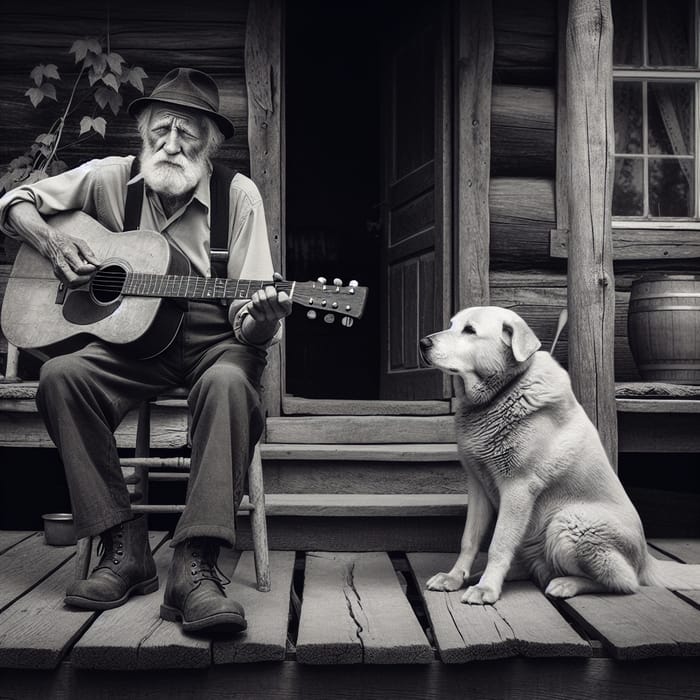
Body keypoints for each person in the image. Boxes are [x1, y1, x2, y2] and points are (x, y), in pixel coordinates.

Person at [0, 68, 292, 634]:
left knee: (232, 385)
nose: (171, 144)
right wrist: (52, 241)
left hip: (217, 341)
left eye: (188, 133)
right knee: (62, 375)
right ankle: (121, 544)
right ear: (142, 131)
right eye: (162, 129)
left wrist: (260, 319)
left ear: (209, 142)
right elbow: (14, 201)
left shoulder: (238, 196)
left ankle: (196, 565)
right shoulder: (110, 177)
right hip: (132, 342)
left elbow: (254, 332)